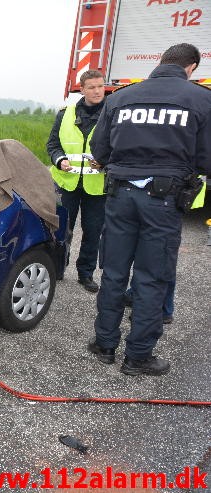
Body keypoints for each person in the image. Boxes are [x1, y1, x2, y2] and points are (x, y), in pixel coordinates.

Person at [88, 43, 211, 376]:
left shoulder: (121, 97)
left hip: (119, 196)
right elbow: (205, 158)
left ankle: (105, 344)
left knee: (113, 272)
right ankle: (138, 356)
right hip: (163, 202)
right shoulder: (201, 99)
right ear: (191, 68)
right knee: (152, 278)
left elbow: (99, 149)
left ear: (161, 62)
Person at [46, 69, 107, 292]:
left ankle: (86, 274)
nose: (97, 91)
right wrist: (59, 159)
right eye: (91, 87)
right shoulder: (66, 113)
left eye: (100, 86)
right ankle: (58, 269)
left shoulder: (112, 113)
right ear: (82, 89)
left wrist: (105, 162)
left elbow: (120, 147)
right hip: (66, 182)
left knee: (93, 231)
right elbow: (52, 145)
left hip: (97, 186)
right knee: (61, 230)